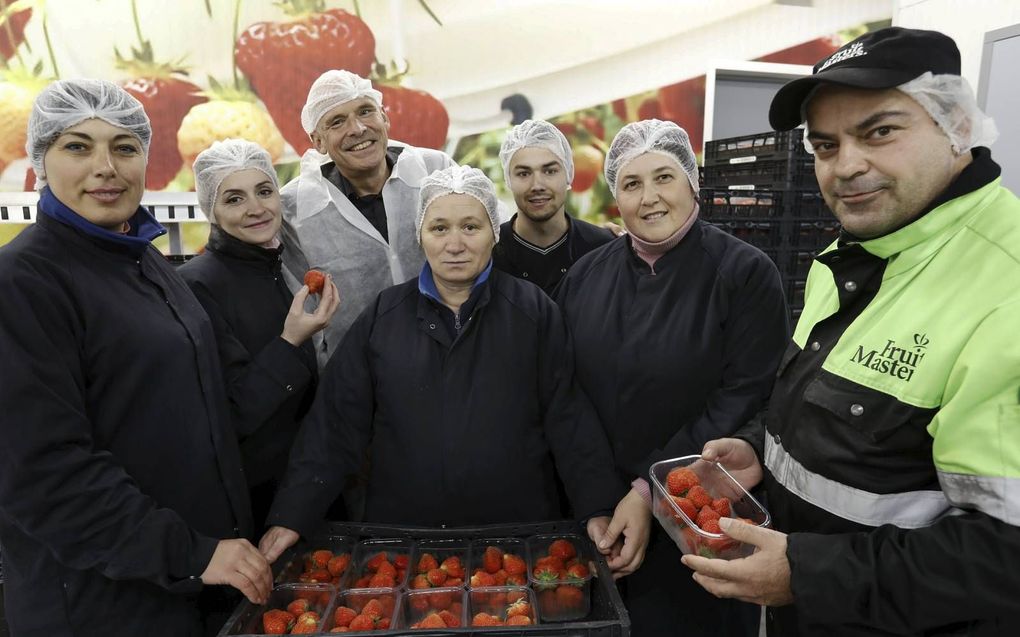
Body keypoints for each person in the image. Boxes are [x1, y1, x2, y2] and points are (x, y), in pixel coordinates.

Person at [681, 27, 1020, 636]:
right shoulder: (850, 257)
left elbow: (1006, 555)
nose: (847, 166)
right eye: (826, 144)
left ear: (958, 126)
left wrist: (807, 574)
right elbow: (838, 414)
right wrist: (761, 449)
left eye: (880, 131)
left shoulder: (1007, 291)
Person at [259, 165, 649, 575]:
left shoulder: (532, 313)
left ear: (493, 233)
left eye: (471, 226)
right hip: (406, 546)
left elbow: (569, 419)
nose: (455, 244)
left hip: (517, 544)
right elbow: (334, 425)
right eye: (439, 228)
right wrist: (292, 514)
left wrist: (597, 507)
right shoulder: (383, 317)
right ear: (420, 236)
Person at [0, 80, 272, 637]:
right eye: (78, 147)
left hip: (188, 583)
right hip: (101, 601)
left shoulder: (141, 260)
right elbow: (44, 473)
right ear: (40, 162)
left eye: (124, 148)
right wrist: (189, 551)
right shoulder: (23, 282)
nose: (106, 167)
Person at [554, 119, 789, 636]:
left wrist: (647, 491)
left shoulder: (744, 274)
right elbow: (568, 398)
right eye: (632, 184)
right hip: (604, 521)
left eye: (664, 177)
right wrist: (597, 502)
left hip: (698, 522)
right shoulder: (585, 278)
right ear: (616, 195)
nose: (650, 197)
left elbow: (744, 397)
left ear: (691, 182)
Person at [179, 139, 342, 529]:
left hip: (306, 487)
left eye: (265, 191)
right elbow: (227, 416)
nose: (256, 208)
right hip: (255, 502)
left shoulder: (280, 268)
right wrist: (290, 343)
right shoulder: (196, 286)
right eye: (234, 199)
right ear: (211, 211)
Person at [279, 69, 456, 367]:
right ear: (318, 141)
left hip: (450, 359)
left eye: (365, 111)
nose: (358, 129)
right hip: (358, 377)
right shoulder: (296, 209)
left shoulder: (436, 171)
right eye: (337, 122)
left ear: (384, 118)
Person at [493, 119, 615, 294]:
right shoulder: (489, 254)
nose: (537, 185)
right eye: (523, 173)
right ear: (508, 179)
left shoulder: (603, 248)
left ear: (568, 173)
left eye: (549, 171)